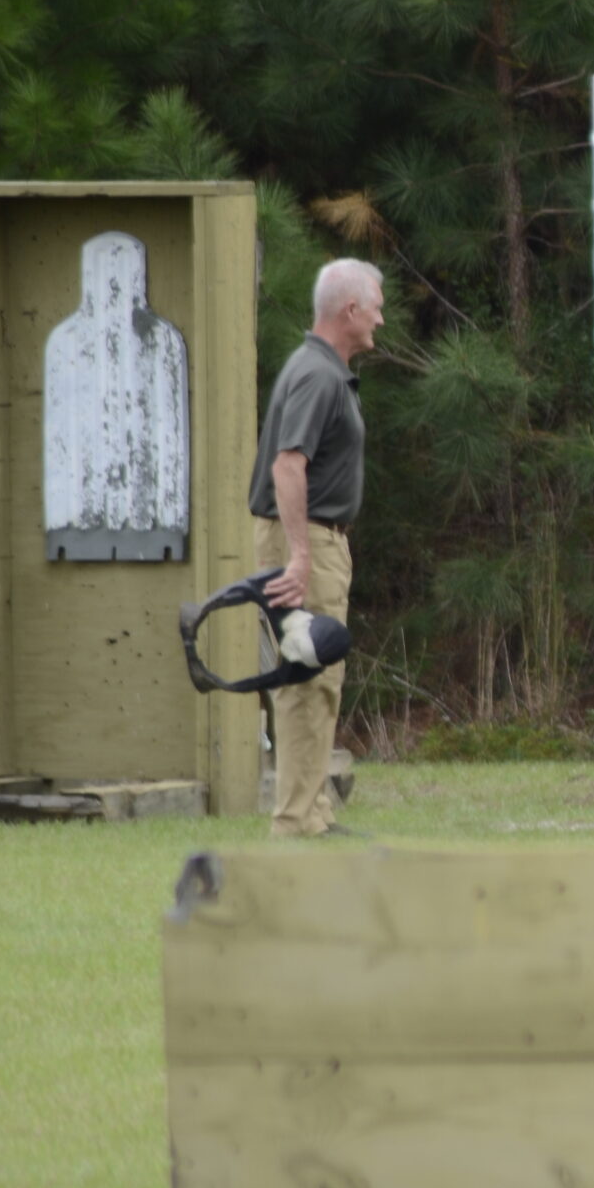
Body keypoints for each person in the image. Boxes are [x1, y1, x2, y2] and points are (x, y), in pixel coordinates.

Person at [249, 258, 384, 838]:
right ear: (350, 310)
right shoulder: (318, 375)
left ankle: (314, 812)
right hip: (304, 538)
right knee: (306, 675)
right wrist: (301, 556)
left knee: (319, 674)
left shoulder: (326, 370)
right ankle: (296, 820)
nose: (381, 318)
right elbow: (288, 465)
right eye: (376, 307)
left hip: (318, 538)